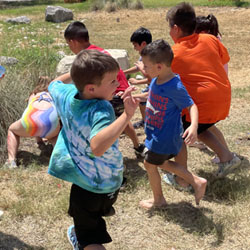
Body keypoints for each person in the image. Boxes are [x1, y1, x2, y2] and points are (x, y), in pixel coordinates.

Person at [48, 50, 139, 249]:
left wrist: (79, 74)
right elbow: (97, 146)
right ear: (90, 88)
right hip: (108, 182)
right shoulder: (101, 109)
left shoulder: (64, 96)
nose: (118, 85)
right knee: (89, 220)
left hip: (87, 187)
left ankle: (85, 240)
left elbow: (53, 84)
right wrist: (127, 115)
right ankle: (88, 229)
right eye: (112, 81)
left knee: (88, 236)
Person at [166, 2, 241, 179]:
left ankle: (180, 177)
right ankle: (227, 157)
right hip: (222, 98)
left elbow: (164, 81)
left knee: (180, 131)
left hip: (202, 105)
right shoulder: (211, 39)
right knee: (201, 128)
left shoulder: (173, 53)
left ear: (175, 28)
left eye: (169, 28)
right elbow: (223, 61)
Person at [134, 39, 207, 209]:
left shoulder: (174, 86)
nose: (144, 69)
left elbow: (191, 105)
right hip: (157, 134)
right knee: (152, 163)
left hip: (163, 137)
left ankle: (193, 182)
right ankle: (162, 197)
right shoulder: (156, 80)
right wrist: (135, 97)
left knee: (152, 163)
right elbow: (151, 96)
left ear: (159, 66)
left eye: (146, 66)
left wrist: (194, 126)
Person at [64, 21, 145, 156]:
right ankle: (138, 147)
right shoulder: (97, 51)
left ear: (73, 42)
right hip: (122, 91)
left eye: (68, 44)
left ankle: (111, 161)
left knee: (106, 129)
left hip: (113, 93)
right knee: (123, 119)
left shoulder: (87, 58)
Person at [4, 76, 60, 168]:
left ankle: (11, 161)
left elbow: (36, 121)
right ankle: (58, 157)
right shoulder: (54, 95)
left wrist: (39, 141)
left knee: (12, 130)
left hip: (32, 120)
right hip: (51, 122)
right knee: (55, 136)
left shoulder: (34, 95)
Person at [123, 27, 152, 129]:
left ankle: (149, 124)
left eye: (135, 45)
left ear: (143, 44)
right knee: (141, 102)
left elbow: (153, 79)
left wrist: (136, 82)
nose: (134, 48)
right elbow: (137, 67)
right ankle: (145, 122)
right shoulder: (144, 55)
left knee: (137, 99)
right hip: (151, 86)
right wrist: (124, 72)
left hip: (157, 88)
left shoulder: (151, 57)